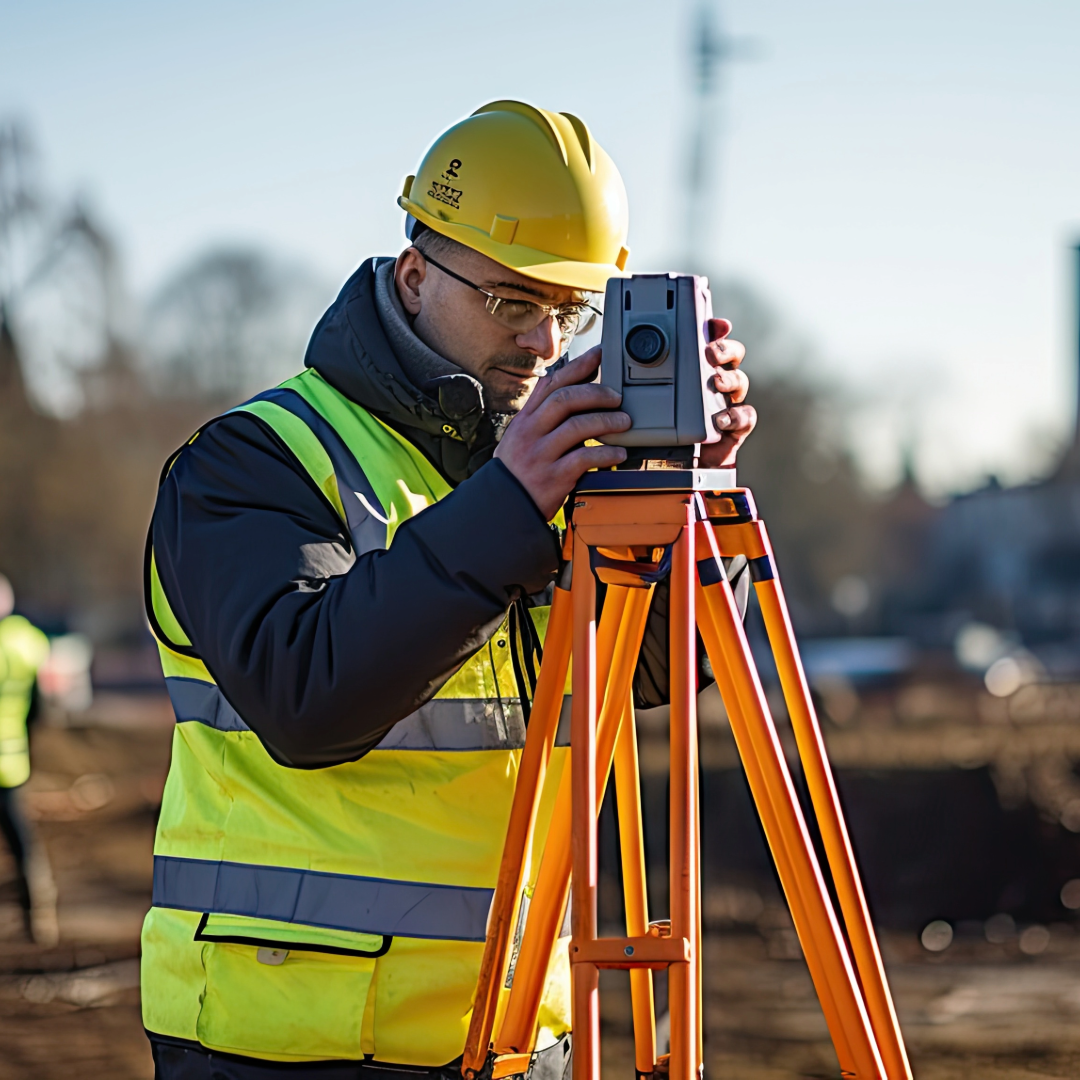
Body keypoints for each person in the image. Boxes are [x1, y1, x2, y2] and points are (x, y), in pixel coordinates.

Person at [142, 101, 756, 1080]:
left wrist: (683, 499)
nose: (545, 343)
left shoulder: (549, 474)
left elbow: (651, 676)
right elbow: (307, 699)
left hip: (519, 1033)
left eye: (572, 311)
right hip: (295, 1039)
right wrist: (509, 505)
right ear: (415, 272)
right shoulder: (253, 461)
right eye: (515, 302)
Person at [0, 573, 57, 947]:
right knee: (21, 840)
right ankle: (39, 914)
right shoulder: (26, 642)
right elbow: (38, 708)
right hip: (11, 758)